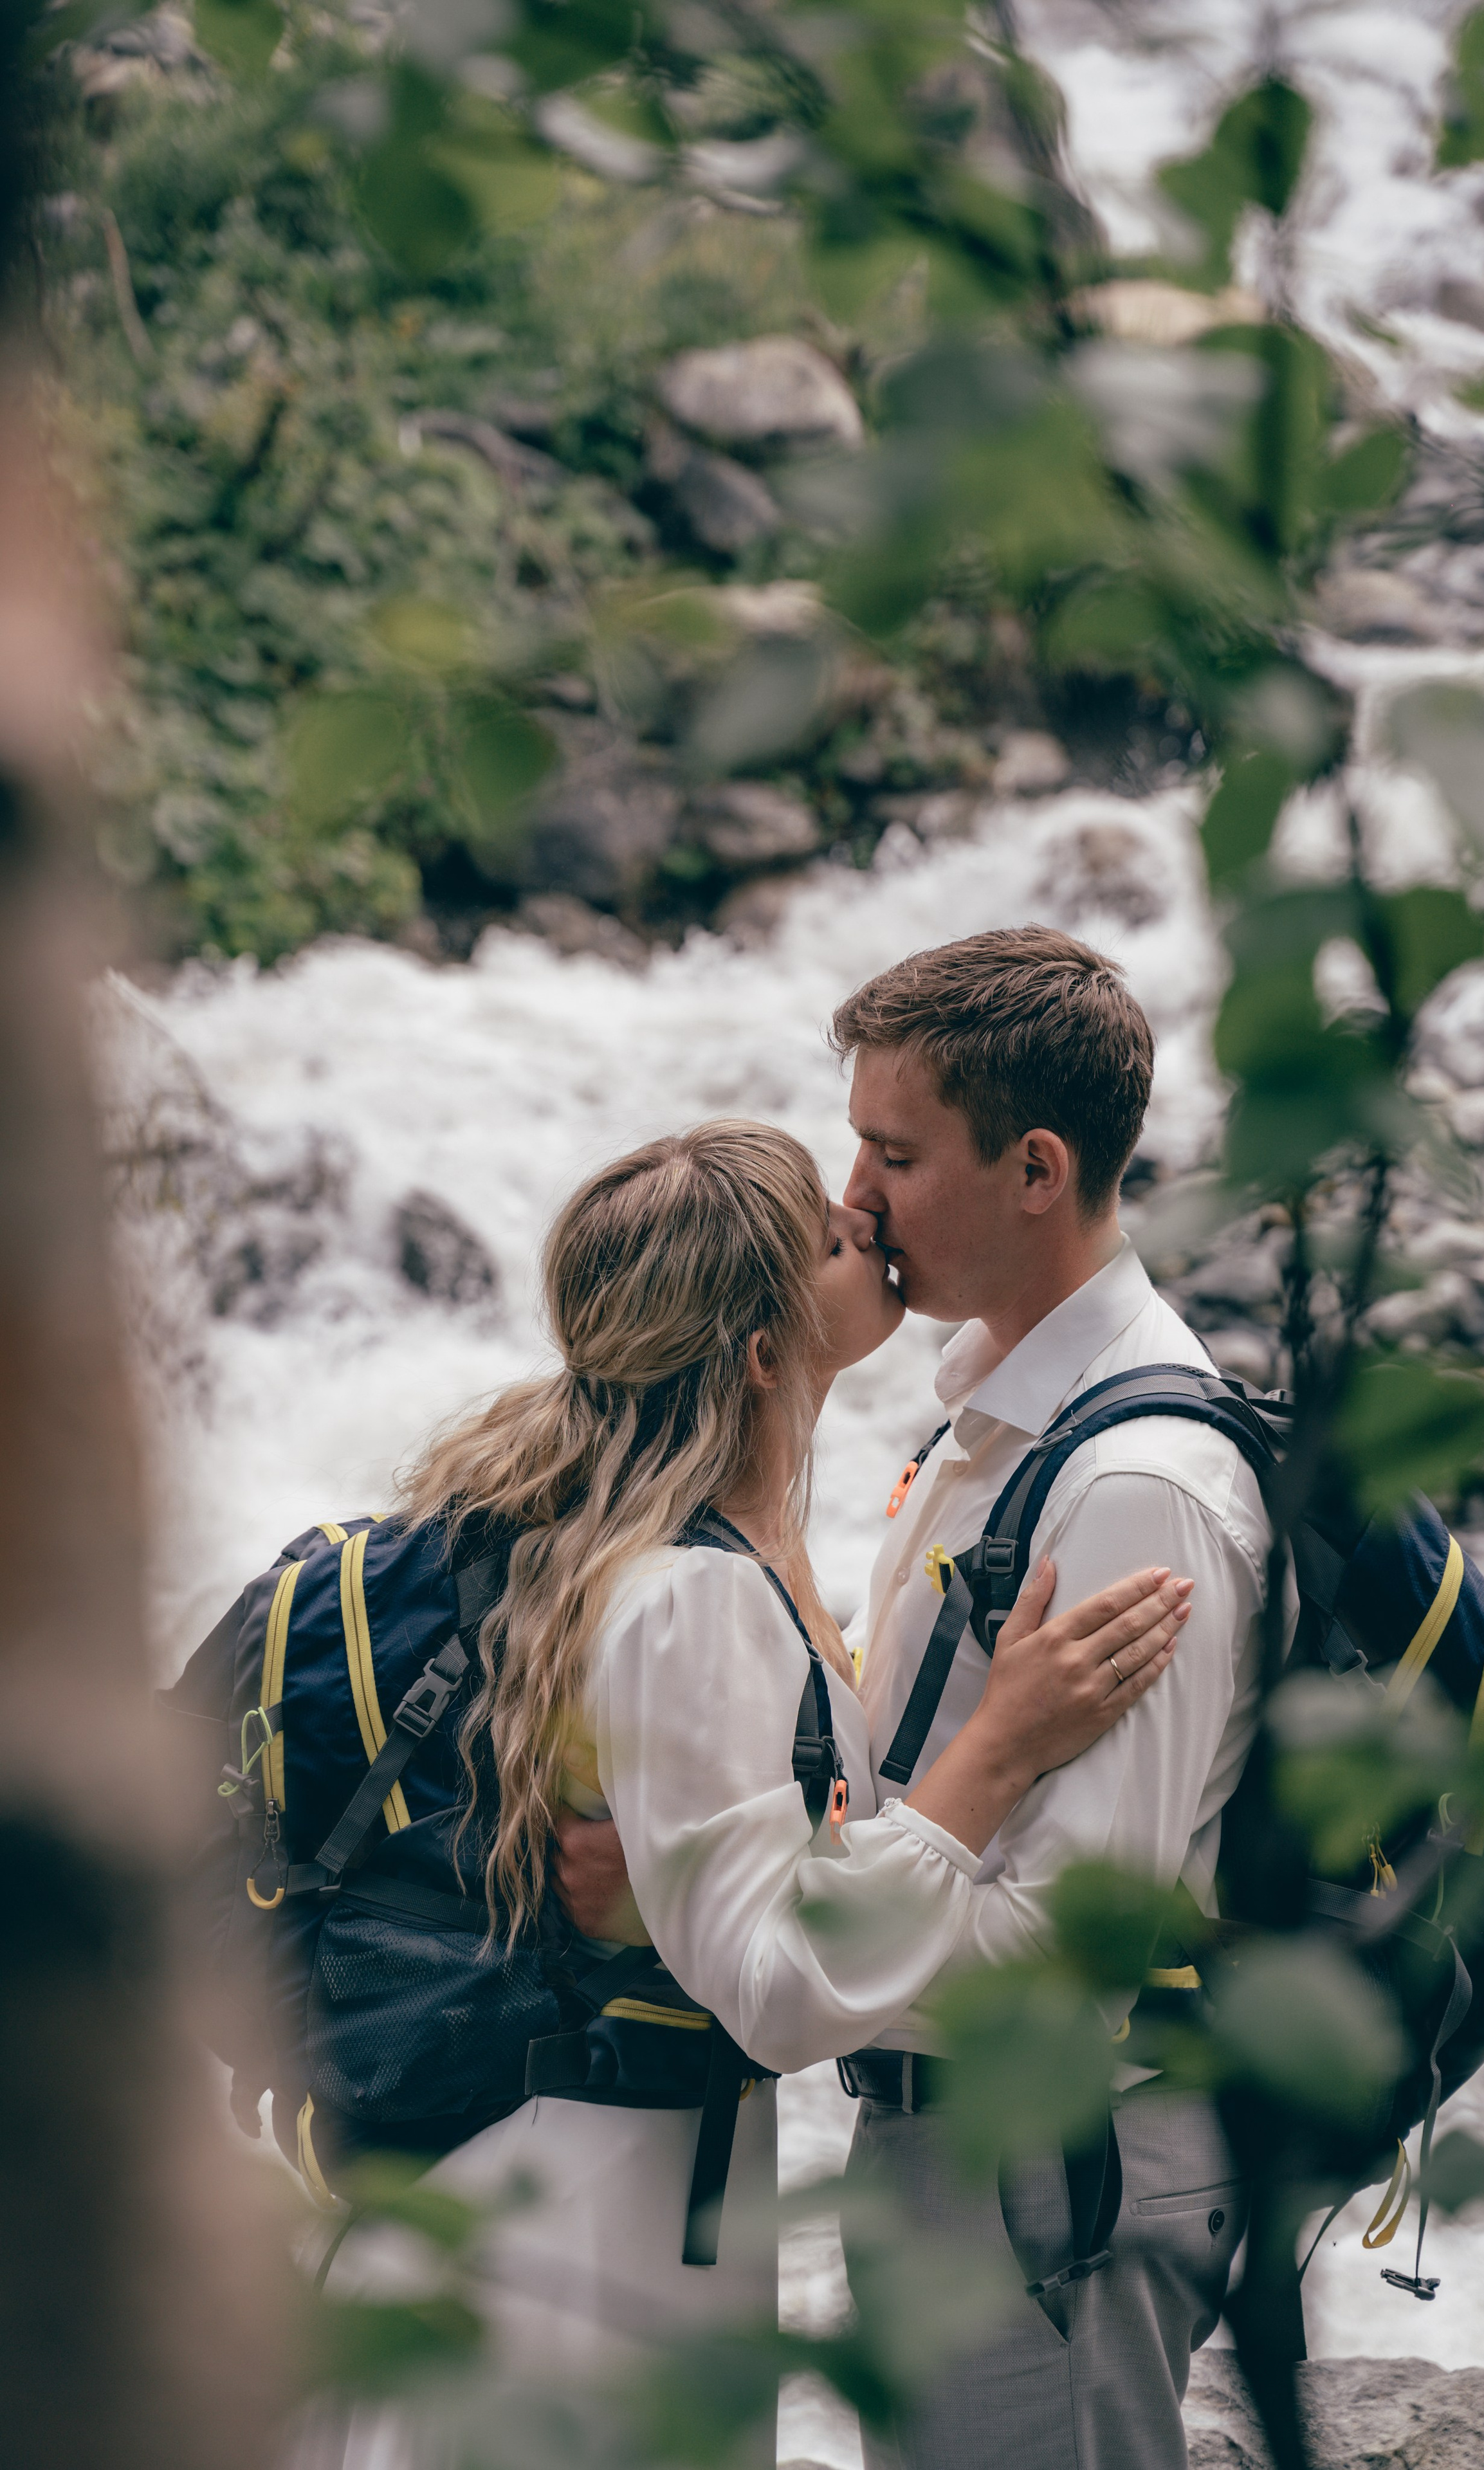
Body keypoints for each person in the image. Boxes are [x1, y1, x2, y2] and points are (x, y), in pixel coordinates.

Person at [316, 1118, 1188, 2465]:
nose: (867, 1215)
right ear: (765, 1354)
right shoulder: (696, 1595)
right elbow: (777, 1991)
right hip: (586, 2216)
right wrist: (999, 1750)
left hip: (574, 2173)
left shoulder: (670, 1535)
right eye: (832, 1237)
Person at [559, 928, 1280, 2470]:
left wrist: (768, 1949)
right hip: (948, 2145)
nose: (855, 1198)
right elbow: (908, 1794)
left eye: (894, 1154)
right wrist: (717, 1886)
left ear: (1034, 1170)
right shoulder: (989, 1426)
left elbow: (1067, 1962)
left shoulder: (1135, 1491)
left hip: (1050, 2165)